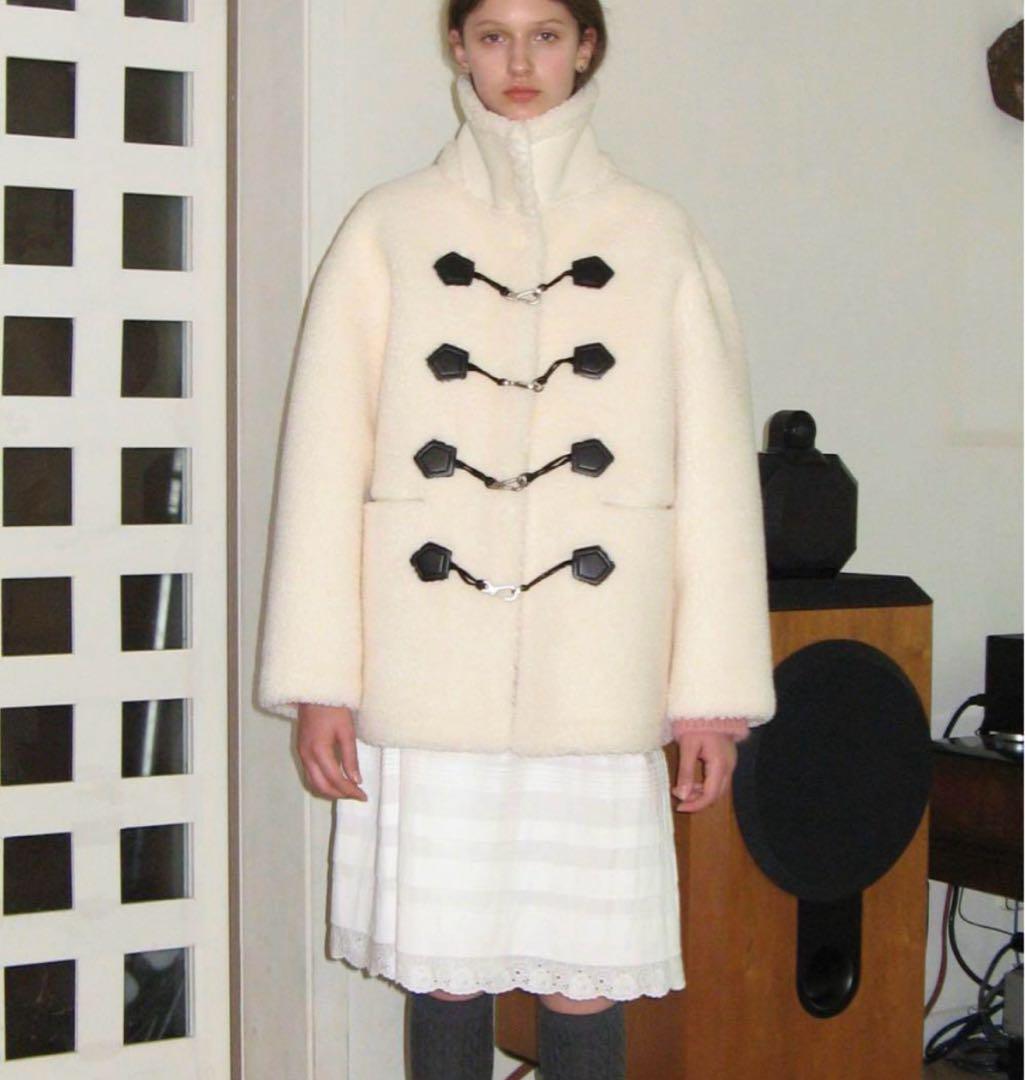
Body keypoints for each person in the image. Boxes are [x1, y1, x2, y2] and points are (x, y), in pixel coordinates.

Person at [257, 1, 776, 1077]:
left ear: (585, 46)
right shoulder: (388, 228)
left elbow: (718, 478)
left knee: (584, 971)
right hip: (422, 671)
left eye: (545, 33)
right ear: (457, 48)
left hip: (601, 673)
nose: (519, 60)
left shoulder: (655, 235)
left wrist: (710, 698)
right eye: (492, 35)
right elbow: (320, 464)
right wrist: (319, 681)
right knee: (445, 971)